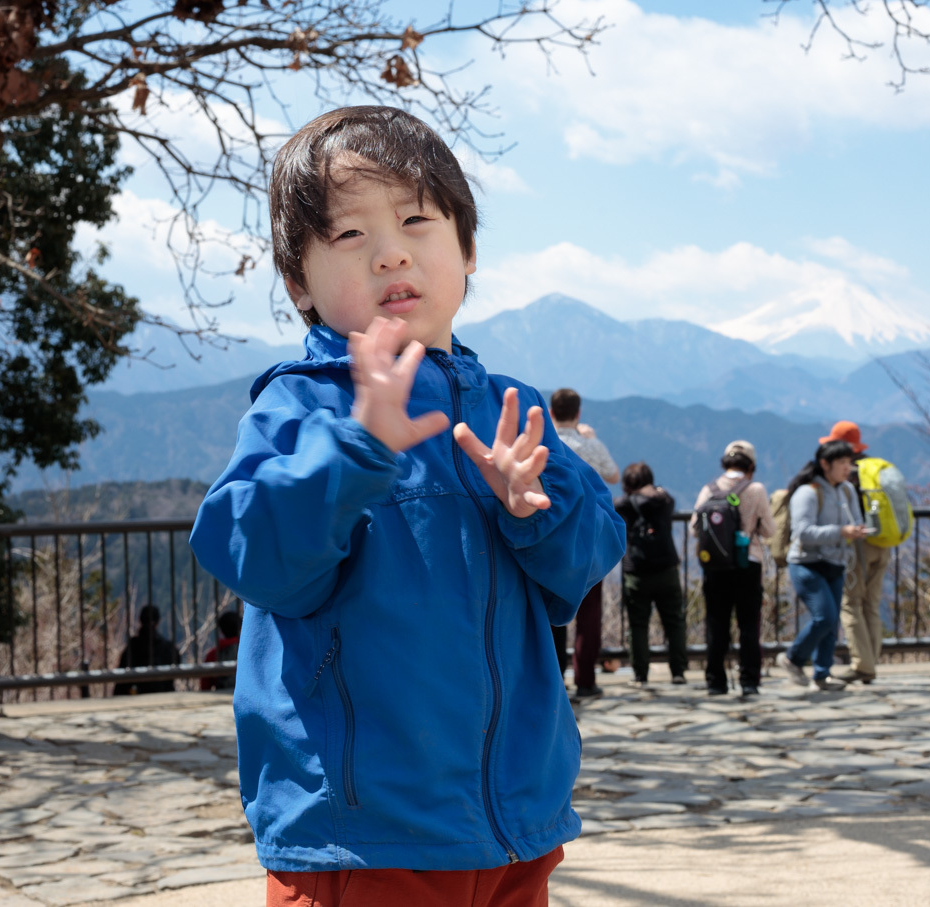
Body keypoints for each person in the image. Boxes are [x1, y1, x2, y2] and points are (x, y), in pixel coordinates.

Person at [189, 106, 625, 906]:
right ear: (299, 282)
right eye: (349, 235)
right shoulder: (302, 406)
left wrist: (538, 506)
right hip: (362, 835)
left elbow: (589, 557)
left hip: (516, 823)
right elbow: (251, 554)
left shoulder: (508, 407)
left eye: (418, 219)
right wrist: (357, 449)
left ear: (465, 250)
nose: (391, 249)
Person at [774, 439, 867, 693]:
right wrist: (841, 531)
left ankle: (822, 674)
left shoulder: (847, 490)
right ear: (825, 464)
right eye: (842, 463)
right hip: (807, 562)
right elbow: (802, 532)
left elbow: (855, 520)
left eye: (850, 462)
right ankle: (793, 658)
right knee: (824, 616)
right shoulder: (808, 492)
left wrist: (856, 531)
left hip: (835, 562)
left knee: (832, 620)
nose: (848, 468)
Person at [549, 387, 620, 700]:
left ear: (551, 412)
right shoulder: (590, 445)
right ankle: (586, 680)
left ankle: (554, 678)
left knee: (551, 610)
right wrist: (589, 439)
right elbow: (614, 475)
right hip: (590, 535)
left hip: (551, 537)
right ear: (577, 414)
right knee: (589, 614)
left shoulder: (545, 442)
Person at [690, 440, 775, 697]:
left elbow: (696, 524)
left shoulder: (710, 488)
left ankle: (715, 680)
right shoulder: (756, 489)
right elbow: (769, 530)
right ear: (751, 465)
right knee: (748, 624)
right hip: (747, 562)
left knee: (717, 622)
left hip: (715, 565)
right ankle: (749, 680)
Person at [614, 462, 687, 687]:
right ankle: (678, 672)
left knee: (637, 624)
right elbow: (667, 498)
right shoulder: (663, 502)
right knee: (674, 622)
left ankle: (640, 675)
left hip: (636, 571)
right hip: (666, 569)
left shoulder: (623, 505)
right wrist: (654, 491)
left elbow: (615, 502)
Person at [827, 422, 888, 685]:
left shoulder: (848, 474)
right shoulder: (874, 468)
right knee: (871, 605)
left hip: (859, 543)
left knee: (850, 604)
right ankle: (871, 662)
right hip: (883, 541)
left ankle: (862, 665)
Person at [112, 604, 181, 695]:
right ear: (158, 622)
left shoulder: (132, 648)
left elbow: (121, 681)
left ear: (140, 620)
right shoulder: (169, 648)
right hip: (164, 697)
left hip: (135, 699)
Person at [199, 609, 242, 692]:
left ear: (221, 630)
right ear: (240, 628)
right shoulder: (248, 651)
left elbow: (205, 686)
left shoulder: (212, 654)